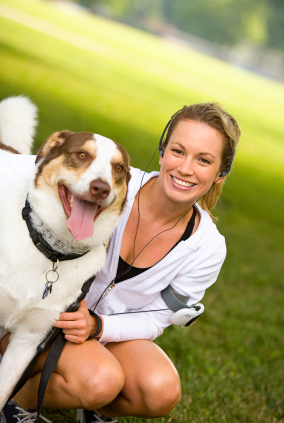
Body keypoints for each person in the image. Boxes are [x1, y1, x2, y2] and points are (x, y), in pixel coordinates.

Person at [0, 102, 241, 423]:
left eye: (204, 160)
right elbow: (24, 169)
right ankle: (20, 401)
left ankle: (93, 405)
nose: (185, 168)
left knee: (160, 390)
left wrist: (100, 327)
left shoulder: (208, 248)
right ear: (162, 151)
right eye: (178, 151)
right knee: (101, 380)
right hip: (45, 316)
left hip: (109, 334)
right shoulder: (111, 187)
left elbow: (161, 317)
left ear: (220, 172)